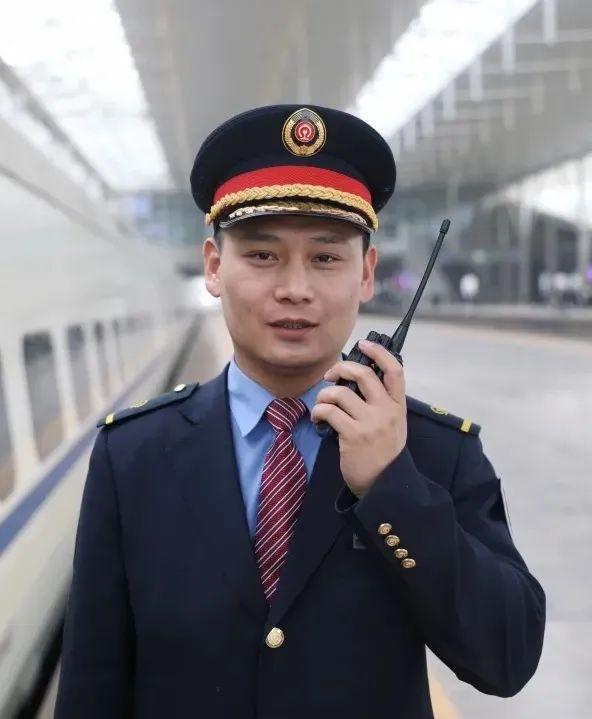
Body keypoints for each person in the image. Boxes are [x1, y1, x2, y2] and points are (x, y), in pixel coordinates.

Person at [54, 104, 545, 719]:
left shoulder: (433, 451)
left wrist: (393, 487)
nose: (295, 289)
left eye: (326, 258)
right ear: (214, 267)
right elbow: (91, 685)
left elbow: (507, 656)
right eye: (262, 256)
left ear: (366, 274)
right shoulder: (133, 456)